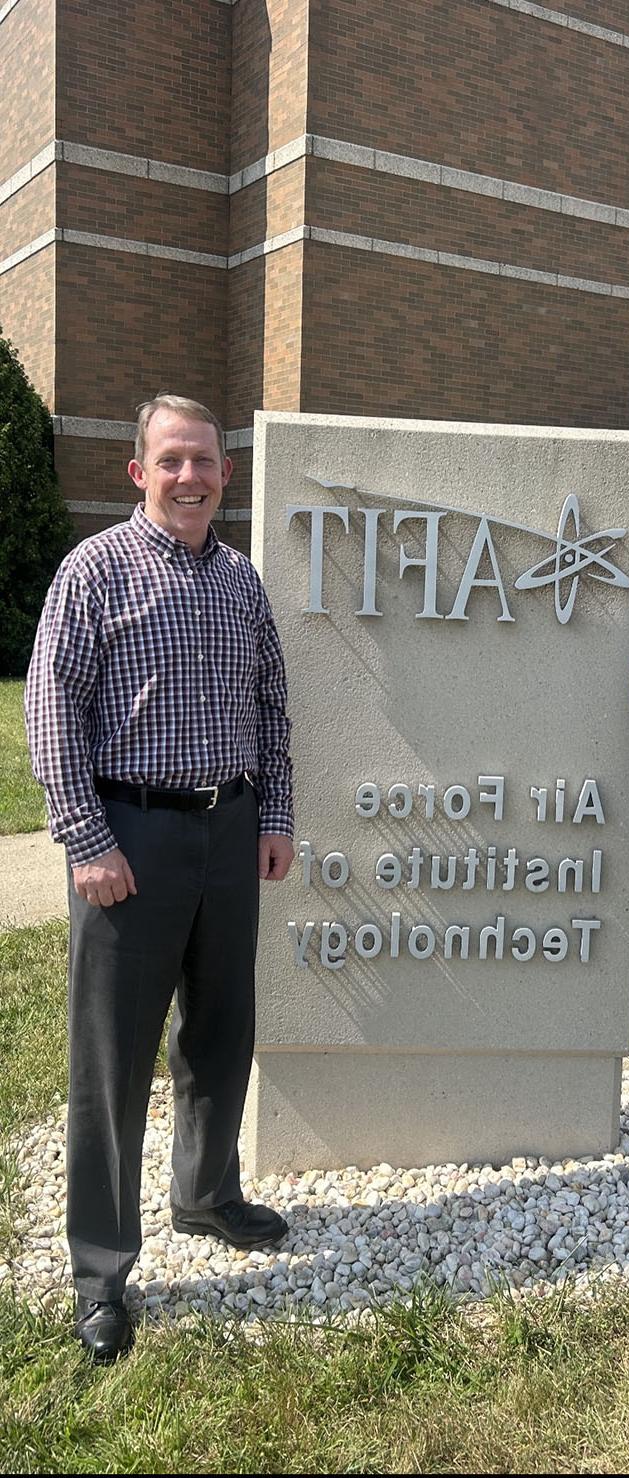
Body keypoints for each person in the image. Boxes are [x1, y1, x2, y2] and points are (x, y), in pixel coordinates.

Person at [25, 394, 295, 1362]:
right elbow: (52, 710)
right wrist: (87, 838)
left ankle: (206, 1192)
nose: (190, 476)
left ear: (227, 473)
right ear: (139, 470)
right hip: (127, 839)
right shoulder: (93, 570)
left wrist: (273, 816)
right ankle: (101, 1270)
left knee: (222, 1032)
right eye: (171, 459)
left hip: (227, 833)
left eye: (206, 460)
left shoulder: (241, 582)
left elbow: (272, 705)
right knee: (112, 1062)